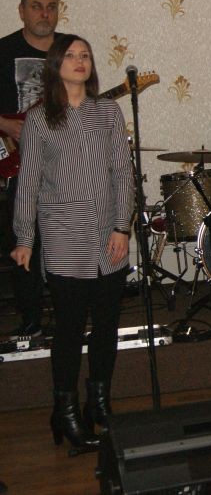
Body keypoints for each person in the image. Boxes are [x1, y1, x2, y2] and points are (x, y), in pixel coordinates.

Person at [12, 34, 134, 451]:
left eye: (85, 55)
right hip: (64, 234)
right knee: (68, 328)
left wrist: (121, 227)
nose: (80, 61)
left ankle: (97, 402)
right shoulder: (39, 119)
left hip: (109, 236)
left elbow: (123, 173)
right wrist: (24, 238)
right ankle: (64, 412)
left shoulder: (108, 112)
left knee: (106, 325)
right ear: (55, 64)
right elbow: (28, 183)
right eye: (71, 55)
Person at [0, 0, 69, 338]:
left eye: (51, 6)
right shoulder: (3, 50)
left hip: (62, 163)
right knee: (24, 240)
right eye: (37, 6)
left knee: (65, 240)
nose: (45, 13)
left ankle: (69, 312)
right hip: (17, 161)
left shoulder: (70, 49)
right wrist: (5, 124)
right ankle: (30, 319)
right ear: (22, 11)